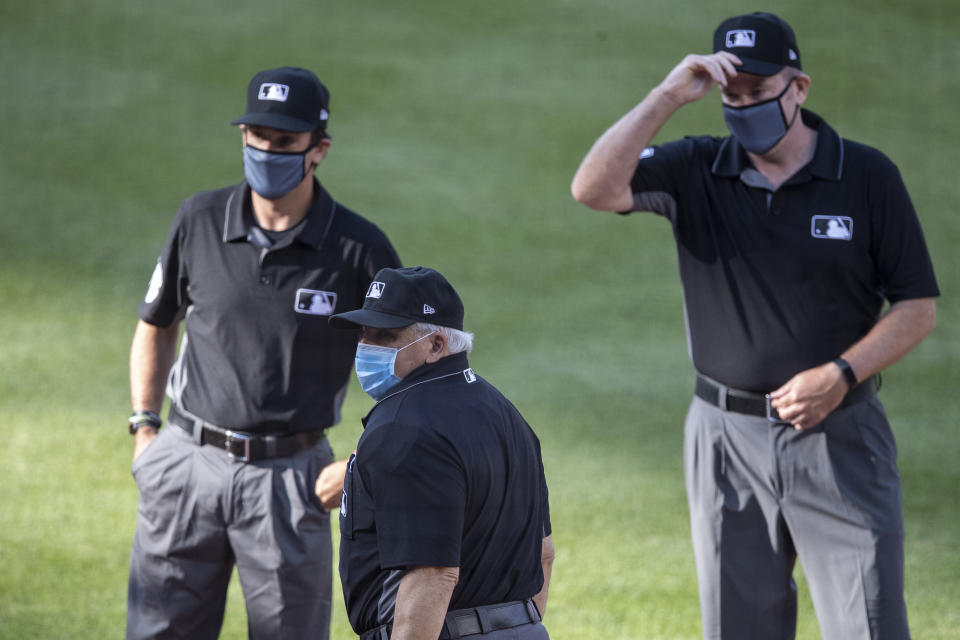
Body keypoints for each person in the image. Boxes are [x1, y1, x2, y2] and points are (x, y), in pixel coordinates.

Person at [571, 12, 938, 640]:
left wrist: (840, 373)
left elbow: (916, 306)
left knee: (868, 626)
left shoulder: (867, 177)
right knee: (739, 629)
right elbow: (593, 188)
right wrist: (666, 96)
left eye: (759, 94)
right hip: (723, 441)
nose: (744, 110)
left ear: (799, 87)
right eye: (731, 97)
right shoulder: (697, 169)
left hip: (839, 434)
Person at [126, 66, 401, 639]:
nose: (266, 151)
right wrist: (145, 432)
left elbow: (413, 368)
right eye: (257, 136)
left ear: (318, 150)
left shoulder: (358, 248)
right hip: (185, 464)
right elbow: (155, 324)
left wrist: (359, 464)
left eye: (284, 142)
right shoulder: (198, 220)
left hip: (290, 481)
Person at [328, 266, 554, 640]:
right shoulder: (507, 415)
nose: (366, 348)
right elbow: (543, 553)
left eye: (385, 336)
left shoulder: (402, 429)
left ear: (436, 345)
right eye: (364, 334)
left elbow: (434, 574)